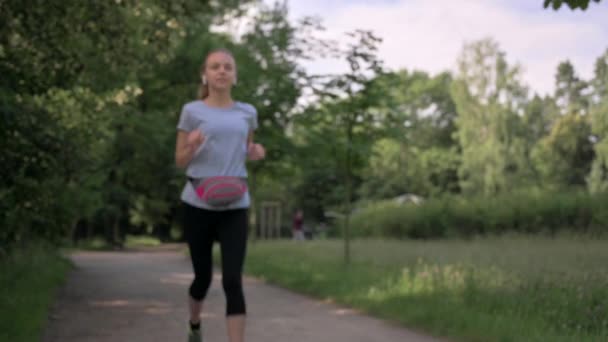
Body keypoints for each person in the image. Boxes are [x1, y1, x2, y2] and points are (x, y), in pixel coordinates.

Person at [175, 48, 266, 342]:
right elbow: (180, 160)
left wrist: (255, 153)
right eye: (215, 66)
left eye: (228, 67)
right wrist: (191, 145)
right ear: (206, 74)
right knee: (202, 277)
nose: (222, 71)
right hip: (198, 203)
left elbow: (245, 149)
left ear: (235, 75)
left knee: (232, 281)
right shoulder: (192, 111)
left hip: (235, 204)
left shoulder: (247, 112)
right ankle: (194, 323)